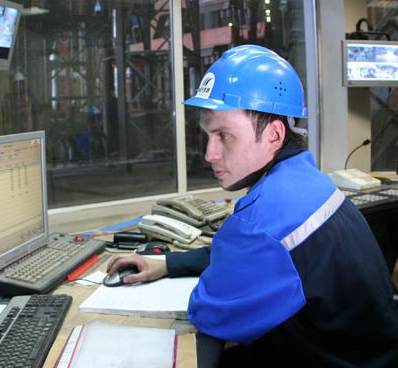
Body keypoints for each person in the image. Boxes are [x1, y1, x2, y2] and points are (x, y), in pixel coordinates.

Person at [106, 45, 398, 367]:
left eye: (224, 136)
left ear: (274, 134)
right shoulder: (307, 180)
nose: (209, 154)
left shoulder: (260, 222)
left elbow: (210, 314)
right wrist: (168, 264)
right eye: (207, 135)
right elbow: (255, 254)